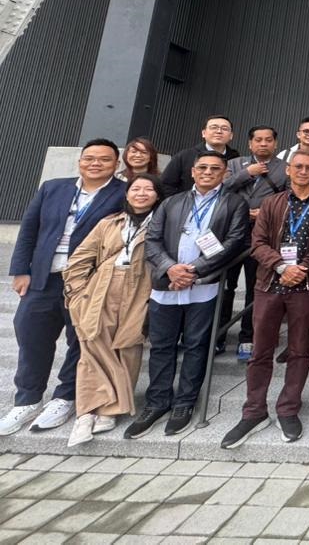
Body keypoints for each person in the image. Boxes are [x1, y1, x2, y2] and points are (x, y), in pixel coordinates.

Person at [0, 140, 126, 437]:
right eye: (90, 158)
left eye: (104, 160)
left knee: (79, 340)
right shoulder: (53, 187)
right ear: (80, 161)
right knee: (30, 333)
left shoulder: (122, 193)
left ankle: (65, 396)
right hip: (45, 277)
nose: (96, 164)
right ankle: (28, 399)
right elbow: (29, 229)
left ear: (117, 164)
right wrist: (21, 269)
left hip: (87, 282)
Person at [126, 151, 249, 439]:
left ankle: (185, 402)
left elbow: (233, 242)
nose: (208, 172)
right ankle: (157, 402)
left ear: (225, 174)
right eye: (202, 168)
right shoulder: (171, 202)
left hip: (203, 286)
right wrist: (171, 269)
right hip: (166, 287)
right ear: (193, 172)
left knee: (197, 345)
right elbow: (153, 240)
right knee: (161, 346)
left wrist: (193, 270)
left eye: (215, 168)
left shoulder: (234, 203)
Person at [219, 153, 309, 448]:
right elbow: (257, 243)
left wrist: (302, 267)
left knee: (299, 350)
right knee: (260, 350)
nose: (303, 171)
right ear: (289, 170)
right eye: (298, 167)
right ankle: (254, 411)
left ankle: (289, 408)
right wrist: (281, 266)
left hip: (305, 285)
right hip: (269, 284)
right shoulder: (272, 202)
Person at [62, 174, 163, 446]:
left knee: (127, 346)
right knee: (93, 345)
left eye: (148, 189)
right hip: (102, 286)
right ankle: (88, 410)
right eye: (136, 189)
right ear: (127, 194)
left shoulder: (162, 223)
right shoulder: (109, 222)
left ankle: (110, 408)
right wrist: (76, 295)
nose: (141, 193)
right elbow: (80, 259)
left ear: (157, 195)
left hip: (140, 286)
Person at [220, 125, 289, 360]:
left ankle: (247, 337)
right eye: (258, 140)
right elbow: (221, 189)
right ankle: (219, 337)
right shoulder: (234, 165)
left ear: (275, 143)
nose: (263, 144)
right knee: (225, 286)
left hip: (263, 236)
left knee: (254, 287)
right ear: (250, 143)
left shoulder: (283, 168)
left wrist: (266, 213)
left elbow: (288, 197)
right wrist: (247, 173)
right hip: (232, 234)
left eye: (268, 140)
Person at [160, 115, 240, 196]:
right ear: (203, 133)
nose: (219, 131)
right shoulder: (185, 156)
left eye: (224, 128)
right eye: (214, 127)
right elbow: (165, 185)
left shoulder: (236, 159)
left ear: (231, 135)